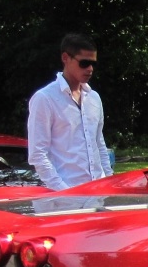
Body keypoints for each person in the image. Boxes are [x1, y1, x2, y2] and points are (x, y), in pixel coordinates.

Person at [27, 33, 113, 190]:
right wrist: (63, 191)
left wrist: (109, 182)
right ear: (65, 58)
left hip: (99, 190)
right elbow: (38, 155)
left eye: (93, 64)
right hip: (66, 194)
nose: (90, 69)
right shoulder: (44, 99)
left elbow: (99, 144)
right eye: (84, 63)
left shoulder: (94, 98)